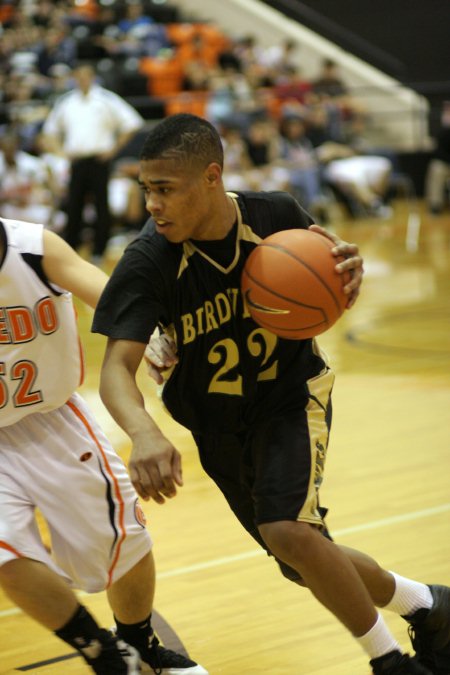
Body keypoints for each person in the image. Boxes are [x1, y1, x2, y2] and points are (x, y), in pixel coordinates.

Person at [92, 113, 450, 675]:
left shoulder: (277, 214)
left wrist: (344, 278)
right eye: (146, 190)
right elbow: (116, 368)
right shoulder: (150, 259)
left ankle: (391, 664)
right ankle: (428, 605)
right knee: (301, 559)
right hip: (216, 424)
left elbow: (326, 279)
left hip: (290, 395)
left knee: (289, 531)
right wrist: (143, 432)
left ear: (212, 177)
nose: (152, 205)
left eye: (165, 190)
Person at [0, 216, 207, 675]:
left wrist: (149, 335)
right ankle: (105, 656)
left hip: (50, 421)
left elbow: (111, 297)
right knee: (7, 556)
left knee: (125, 543)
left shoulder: (33, 247)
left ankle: (139, 641)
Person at [41, 63, 144, 262]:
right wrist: (61, 153)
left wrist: (113, 149)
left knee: (101, 205)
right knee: (74, 205)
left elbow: (132, 123)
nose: (82, 79)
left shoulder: (105, 99)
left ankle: (99, 250)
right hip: (77, 160)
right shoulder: (67, 102)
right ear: (75, 77)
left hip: (99, 159)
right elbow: (50, 130)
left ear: (92, 77)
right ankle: (71, 249)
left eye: (85, 76)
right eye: (78, 76)